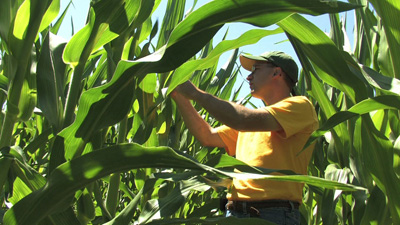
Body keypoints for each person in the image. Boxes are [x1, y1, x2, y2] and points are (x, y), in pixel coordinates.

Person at [170, 51, 319, 224]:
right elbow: (208, 136)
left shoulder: (300, 106)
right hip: (235, 214)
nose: (249, 77)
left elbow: (242, 119)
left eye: (255, 69)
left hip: (273, 215)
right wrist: (178, 95)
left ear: (276, 72)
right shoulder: (258, 121)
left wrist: (195, 93)